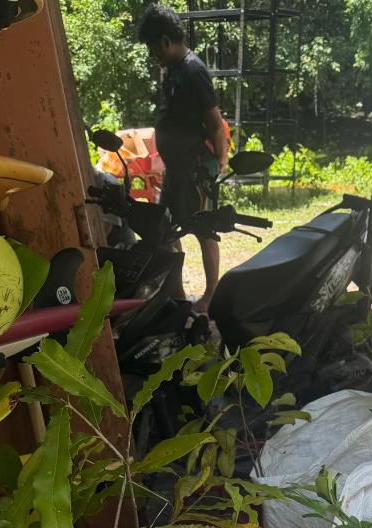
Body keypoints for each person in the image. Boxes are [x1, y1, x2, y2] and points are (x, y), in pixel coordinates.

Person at [137, 3, 229, 313]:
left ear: (165, 41)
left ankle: (212, 294)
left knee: (204, 230)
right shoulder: (172, 69)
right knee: (165, 228)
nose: (153, 55)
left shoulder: (193, 70)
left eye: (153, 48)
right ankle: (174, 293)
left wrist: (219, 165)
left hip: (195, 169)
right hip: (175, 170)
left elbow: (216, 124)